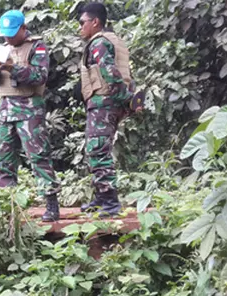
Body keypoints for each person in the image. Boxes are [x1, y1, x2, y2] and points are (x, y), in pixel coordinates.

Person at [0, 10, 61, 222]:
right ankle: (7, 205)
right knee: (4, 161)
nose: (8, 38)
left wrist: (13, 67)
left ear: (23, 29)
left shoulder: (37, 47)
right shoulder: (3, 48)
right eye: (6, 34)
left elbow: (40, 76)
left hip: (30, 109)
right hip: (6, 109)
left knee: (38, 156)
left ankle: (51, 203)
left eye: (12, 33)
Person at [76, 2, 142, 216]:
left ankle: (110, 203)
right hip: (109, 102)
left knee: (98, 150)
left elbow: (110, 73)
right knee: (97, 149)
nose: (80, 27)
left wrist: (126, 98)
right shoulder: (113, 40)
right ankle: (102, 197)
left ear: (95, 22)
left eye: (82, 22)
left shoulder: (99, 43)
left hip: (105, 102)